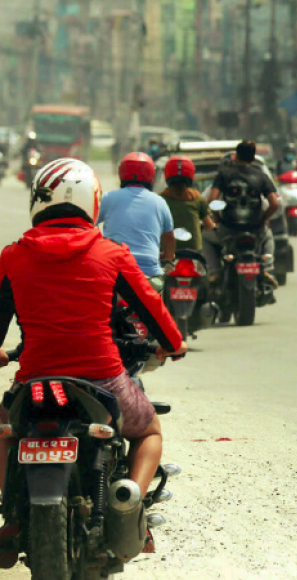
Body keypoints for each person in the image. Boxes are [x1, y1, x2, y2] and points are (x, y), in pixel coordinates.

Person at [0, 159, 187, 567]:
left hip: (33, 382)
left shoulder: (12, 257)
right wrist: (173, 343)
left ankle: (9, 517)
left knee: (4, 431)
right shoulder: (112, 253)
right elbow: (151, 308)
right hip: (103, 380)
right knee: (149, 429)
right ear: (92, 201)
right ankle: (128, 504)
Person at [204, 140, 280, 288]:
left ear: (236, 156)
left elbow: (212, 200)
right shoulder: (261, 176)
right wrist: (264, 219)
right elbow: (275, 203)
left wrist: (217, 219)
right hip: (255, 230)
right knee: (268, 236)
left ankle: (215, 272)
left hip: (228, 230)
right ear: (252, 158)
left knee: (206, 238)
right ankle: (266, 269)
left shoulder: (224, 174)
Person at [98, 152, 175, 293]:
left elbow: (89, 225)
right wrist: (168, 255)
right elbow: (169, 240)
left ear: (122, 172)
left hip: (114, 272)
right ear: (151, 174)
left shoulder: (108, 198)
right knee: (157, 305)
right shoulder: (160, 202)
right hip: (150, 275)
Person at [161, 156, 215, 251]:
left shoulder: (160, 200)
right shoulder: (197, 198)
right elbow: (209, 225)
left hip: (167, 252)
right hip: (193, 252)